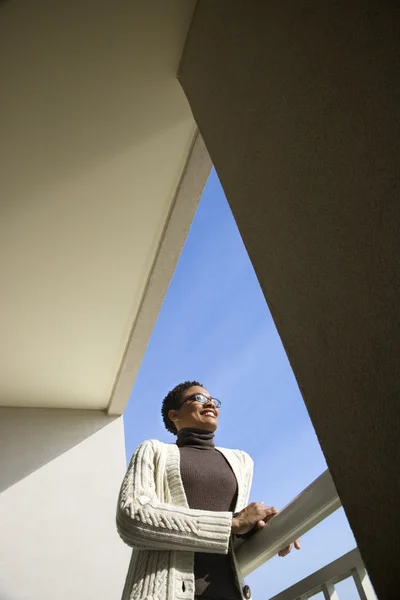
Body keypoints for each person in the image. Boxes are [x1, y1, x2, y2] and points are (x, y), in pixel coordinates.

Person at [116, 381, 300, 600]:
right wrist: (232, 523)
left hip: (227, 592)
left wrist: (270, 528)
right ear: (174, 415)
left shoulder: (241, 461)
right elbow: (132, 516)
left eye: (213, 400)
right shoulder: (154, 451)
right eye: (199, 398)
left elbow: (231, 533)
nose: (210, 403)